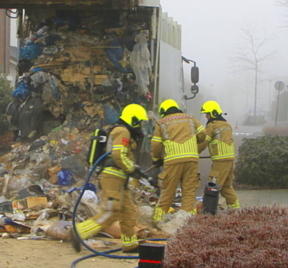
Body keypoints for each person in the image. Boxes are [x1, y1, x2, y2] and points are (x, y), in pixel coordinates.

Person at [72, 103, 150, 253]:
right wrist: (133, 169)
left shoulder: (123, 131)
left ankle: (130, 244)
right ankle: (78, 232)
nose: (141, 126)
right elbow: (118, 155)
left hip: (120, 179)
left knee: (128, 212)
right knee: (110, 213)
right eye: (140, 122)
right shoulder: (122, 131)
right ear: (133, 119)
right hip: (112, 177)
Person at [151, 99, 204, 222]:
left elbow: (156, 145)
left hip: (173, 161)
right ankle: (188, 223)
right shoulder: (190, 118)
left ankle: (156, 220)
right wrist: (193, 142)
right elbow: (203, 134)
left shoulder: (161, 123)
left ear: (163, 111)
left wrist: (156, 159)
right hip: (191, 159)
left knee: (168, 192)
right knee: (189, 192)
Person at [198, 100, 240, 210]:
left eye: (207, 114)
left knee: (212, 187)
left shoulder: (212, 126)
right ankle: (235, 210)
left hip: (220, 161)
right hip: (229, 160)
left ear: (213, 113)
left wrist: (193, 153)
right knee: (226, 187)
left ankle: (209, 213)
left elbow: (203, 142)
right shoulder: (227, 125)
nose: (206, 117)